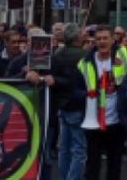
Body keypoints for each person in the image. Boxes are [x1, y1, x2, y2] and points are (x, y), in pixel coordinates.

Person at [77, 25, 127, 180]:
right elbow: (75, 89)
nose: (102, 42)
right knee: (92, 165)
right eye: (98, 39)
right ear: (94, 41)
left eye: (105, 38)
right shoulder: (84, 62)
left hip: (116, 121)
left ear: (113, 39)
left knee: (115, 165)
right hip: (93, 121)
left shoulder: (123, 54)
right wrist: (87, 95)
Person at [47, 23, 90, 180]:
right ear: (78, 37)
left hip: (62, 106)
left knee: (64, 148)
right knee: (79, 149)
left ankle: (64, 176)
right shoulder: (85, 56)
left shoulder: (57, 54)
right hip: (78, 106)